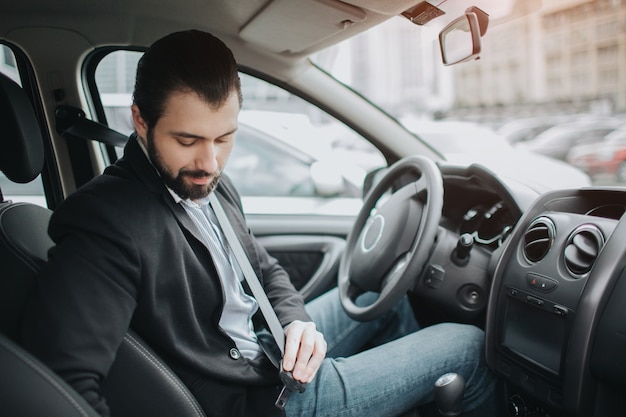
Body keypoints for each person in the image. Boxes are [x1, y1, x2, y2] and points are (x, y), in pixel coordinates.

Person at [22, 30, 495, 417]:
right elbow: (64, 387)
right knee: (467, 346)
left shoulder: (211, 186)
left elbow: (264, 271)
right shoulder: (104, 224)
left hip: (271, 349)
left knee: (384, 294)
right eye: (187, 140)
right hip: (261, 400)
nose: (209, 162)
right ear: (140, 122)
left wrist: (297, 323)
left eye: (224, 137)